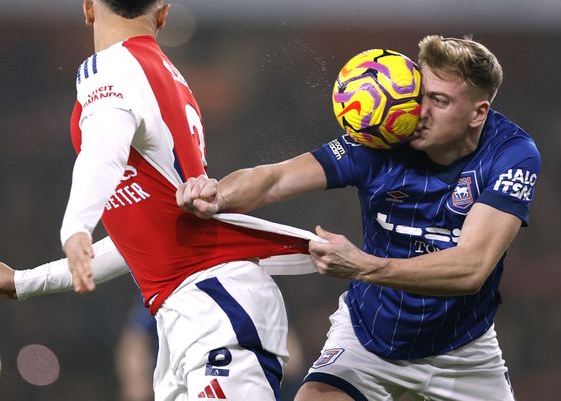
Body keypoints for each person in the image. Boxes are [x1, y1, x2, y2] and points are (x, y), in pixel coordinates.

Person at [0, 0, 319, 400]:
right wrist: (24, 283)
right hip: (192, 308)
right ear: (163, 16)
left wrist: (76, 226)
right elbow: (144, 235)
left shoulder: (108, 70)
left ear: (88, 11)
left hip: (213, 302)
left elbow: (104, 150)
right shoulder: (165, 79)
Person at [177, 35, 541, 400]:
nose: (419, 111)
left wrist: (363, 267)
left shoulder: (511, 154)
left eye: (440, 101)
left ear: (478, 113)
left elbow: (471, 268)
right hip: (369, 338)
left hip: (463, 354)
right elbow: (276, 178)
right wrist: (218, 195)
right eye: (420, 95)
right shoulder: (381, 141)